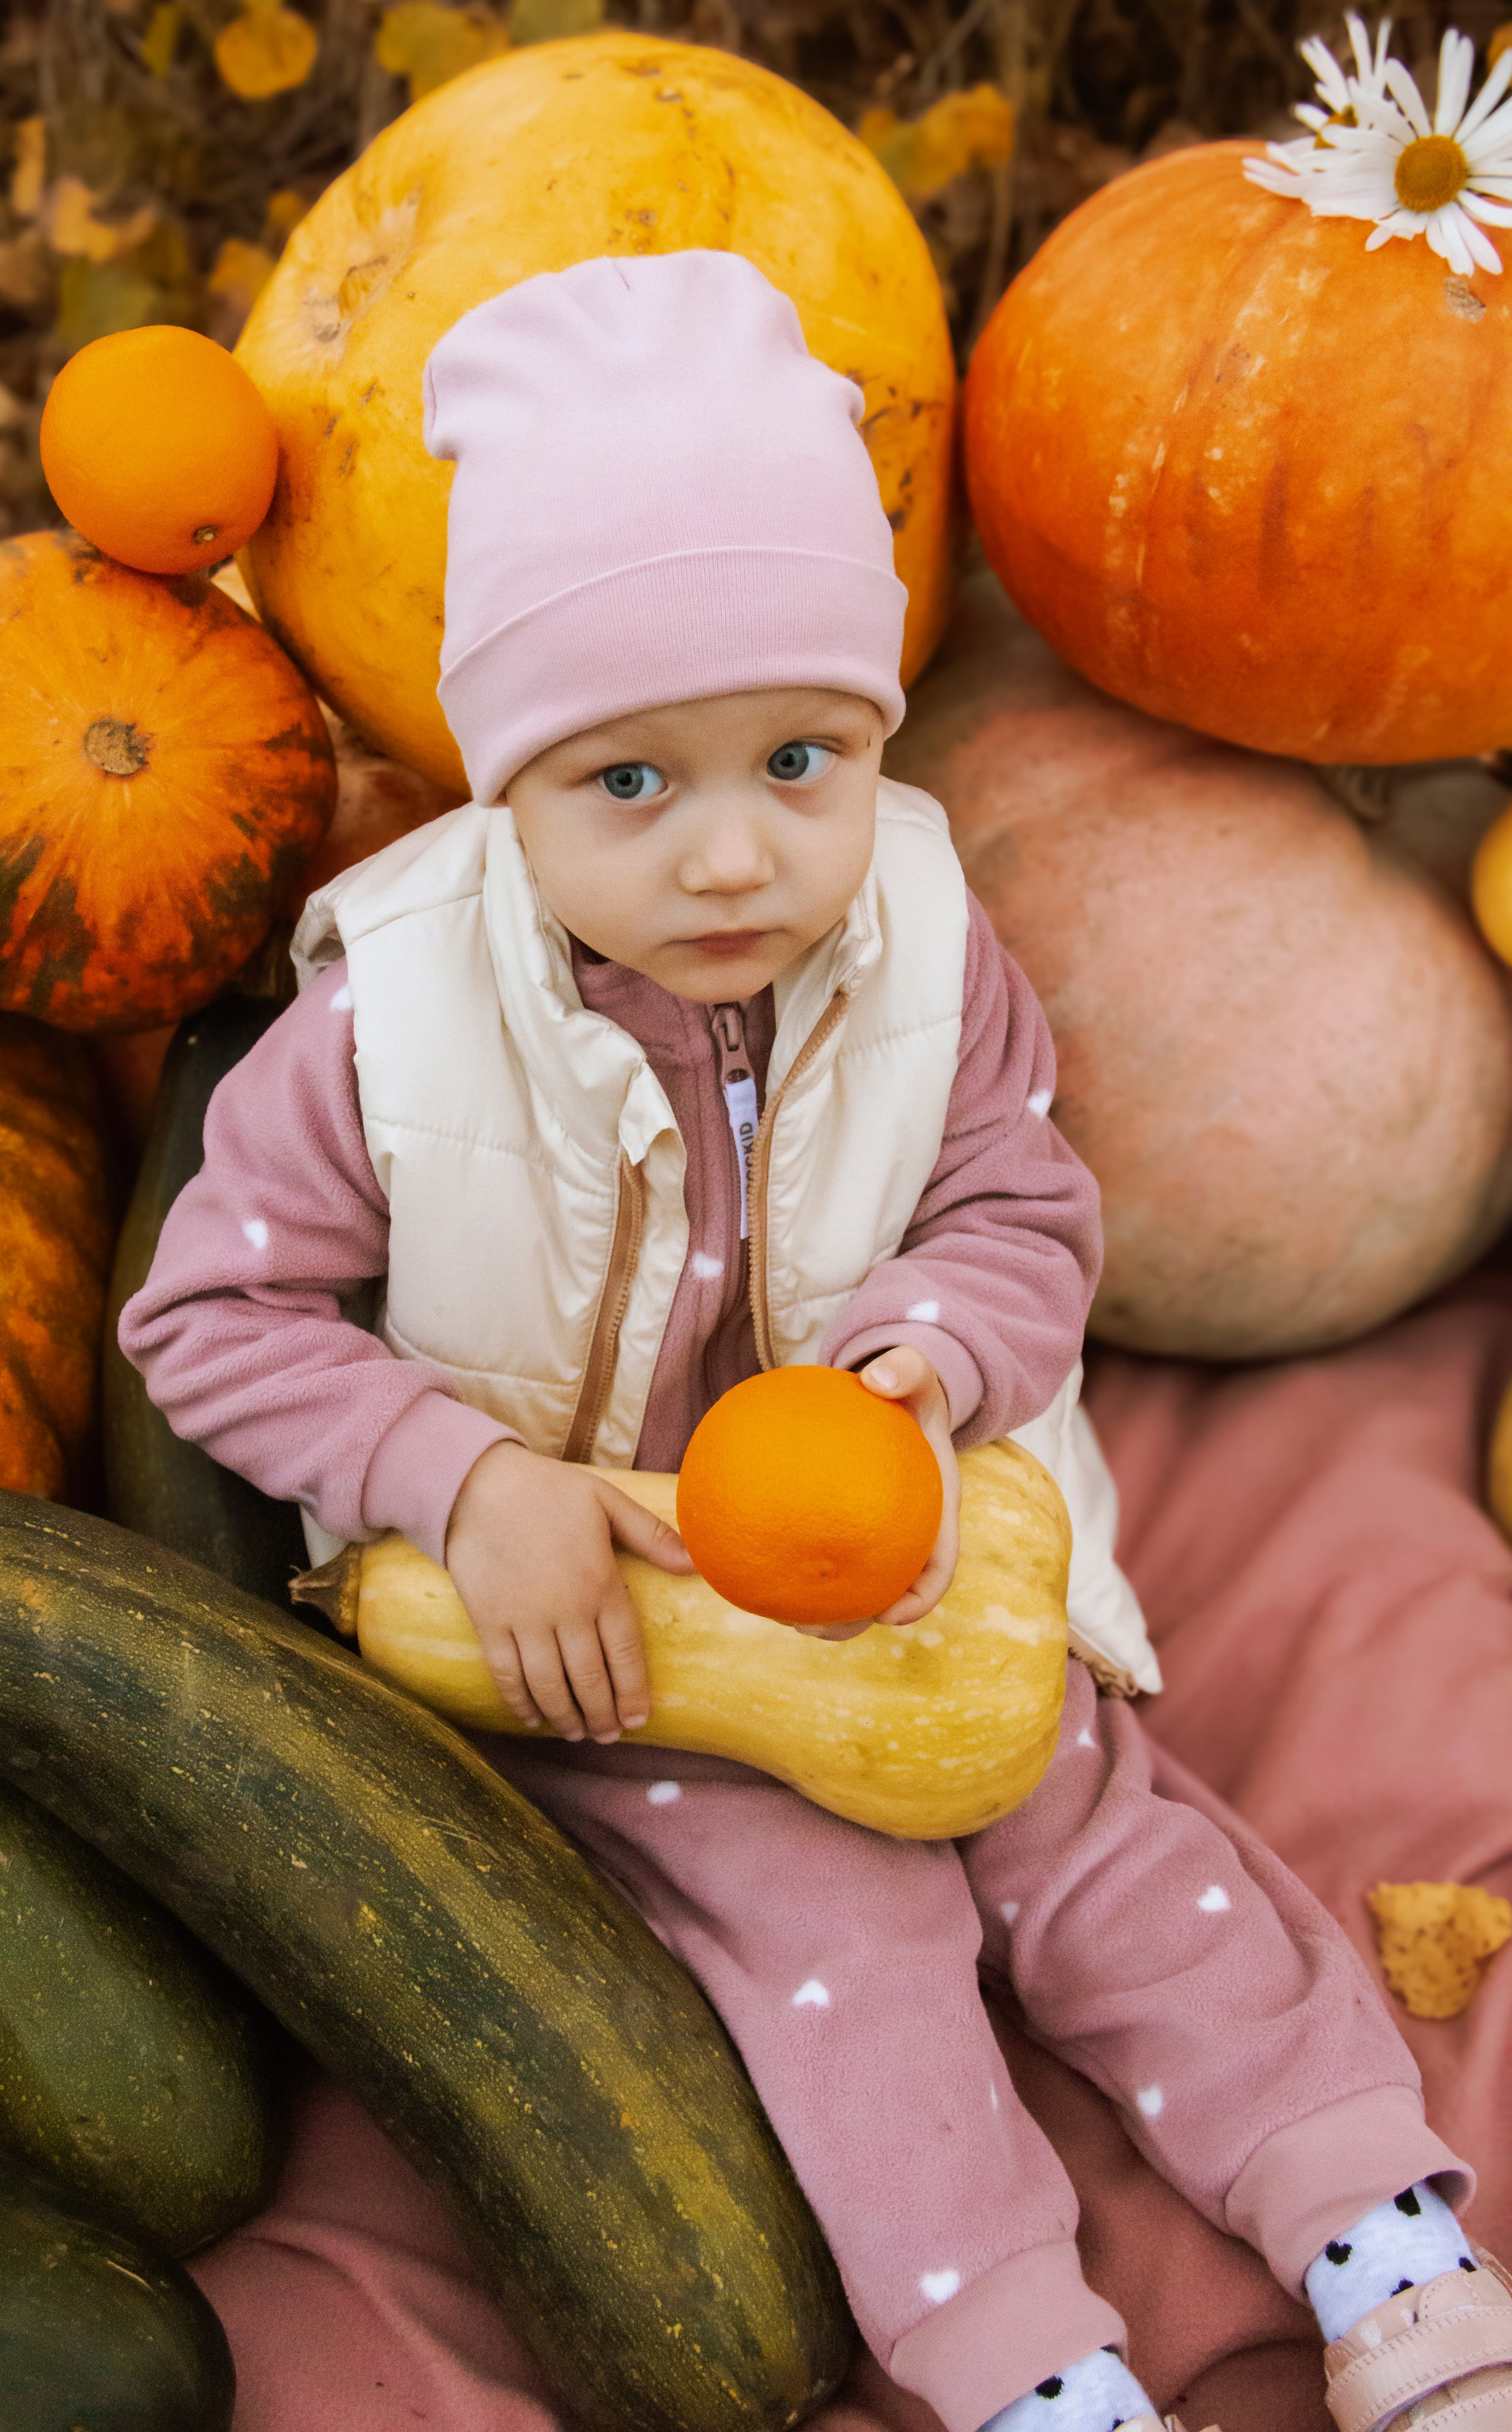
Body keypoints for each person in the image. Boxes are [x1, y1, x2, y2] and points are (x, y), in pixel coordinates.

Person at [120, 251, 1512, 2432]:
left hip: (915, 1544)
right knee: (836, 1939)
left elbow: (1026, 1210)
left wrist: (938, 1358)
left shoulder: (939, 954)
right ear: (505, 786)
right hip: (613, 1644)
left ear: (876, 727)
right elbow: (209, 1322)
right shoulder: (382, 1028)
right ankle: (1032, 2370)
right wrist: (467, 1486)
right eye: (629, 787)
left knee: (1114, 1839)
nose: (738, 853)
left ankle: (1378, 2229)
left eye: (797, 756)